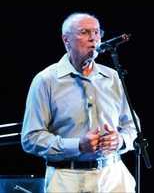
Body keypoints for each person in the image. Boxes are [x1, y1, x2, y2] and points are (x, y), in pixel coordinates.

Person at [21, 12, 138, 192]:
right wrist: (77, 145)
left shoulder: (112, 77)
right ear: (66, 40)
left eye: (97, 32)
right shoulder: (46, 80)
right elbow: (31, 138)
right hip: (68, 178)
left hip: (113, 177)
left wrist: (120, 140)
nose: (93, 38)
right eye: (84, 32)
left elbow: (132, 126)